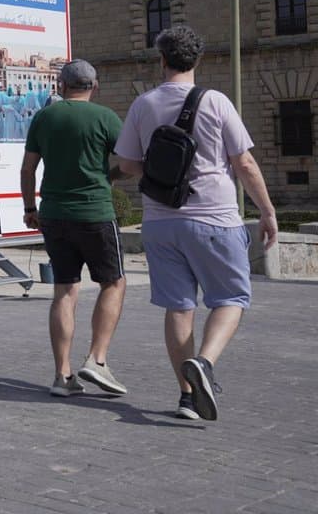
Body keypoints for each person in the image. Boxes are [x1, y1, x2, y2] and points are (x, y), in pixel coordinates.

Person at [115, 25, 277, 421]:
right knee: (231, 299)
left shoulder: (143, 104)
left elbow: (127, 164)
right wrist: (268, 211)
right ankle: (204, 362)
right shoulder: (217, 102)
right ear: (198, 60)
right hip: (215, 219)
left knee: (178, 307)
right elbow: (245, 163)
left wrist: (161, 175)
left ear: (162, 59)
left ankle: (187, 399)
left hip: (160, 222)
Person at [21, 59, 129, 399]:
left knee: (65, 292)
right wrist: (109, 177)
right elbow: (130, 163)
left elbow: (28, 169)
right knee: (113, 283)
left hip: (53, 214)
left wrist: (29, 208)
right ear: (94, 87)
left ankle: (62, 375)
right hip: (95, 212)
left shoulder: (45, 117)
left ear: (61, 85)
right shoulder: (106, 118)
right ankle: (96, 359)